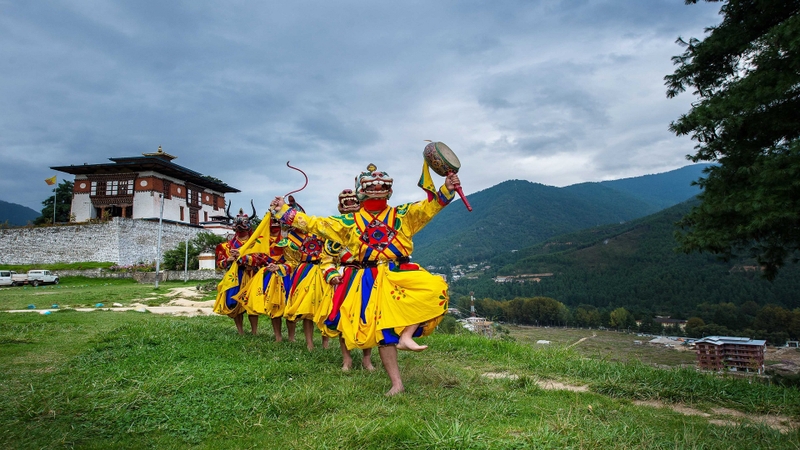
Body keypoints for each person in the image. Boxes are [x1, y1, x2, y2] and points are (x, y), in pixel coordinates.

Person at [270, 163, 459, 395]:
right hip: (367, 277)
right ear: (361, 189)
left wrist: (447, 188)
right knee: (382, 331)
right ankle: (396, 383)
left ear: (389, 190)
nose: (377, 186)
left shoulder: (402, 214)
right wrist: (284, 212)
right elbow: (316, 225)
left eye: (382, 183)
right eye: (372, 183)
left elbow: (429, 207)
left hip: (399, 271)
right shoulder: (347, 222)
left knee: (436, 289)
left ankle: (407, 336)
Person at [318, 189, 374, 371]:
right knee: (343, 318)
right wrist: (331, 274)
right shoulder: (334, 233)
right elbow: (326, 259)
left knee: (368, 317)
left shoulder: (371, 228)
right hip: (346, 278)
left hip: (368, 275)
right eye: (346, 205)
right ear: (340, 209)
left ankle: (367, 360)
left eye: (354, 204)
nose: (351, 208)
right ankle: (347, 359)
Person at [280, 196, 331, 351]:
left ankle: (325, 343)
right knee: (306, 311)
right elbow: (291, 261)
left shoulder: (319, 232)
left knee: (325, 307)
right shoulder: (290, 238)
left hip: (322, 269)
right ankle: (309, 343)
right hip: (303, 273)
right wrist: (280, 269)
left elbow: (330, 251)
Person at [213, 202, 267, 335]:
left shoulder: (256, 243)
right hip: (234, 277)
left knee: (252, 304)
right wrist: (228, 260)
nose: (240, 229)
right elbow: (219, 264)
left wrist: (244, 258)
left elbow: (262, 259)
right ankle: (240, 331)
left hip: (251, 275)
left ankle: (254, 331)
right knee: (234, 303)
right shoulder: (225, 246)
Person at [239, 213, 295, 342]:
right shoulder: (261, 240)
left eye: (277, 221)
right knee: (273, 306)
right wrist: (243, 256)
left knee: (288, 305)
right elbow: (256, 258)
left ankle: (292, 338)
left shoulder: (289, 239)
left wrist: (283, 266)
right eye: (272, 221)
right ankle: (278, 337)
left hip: (286, 274)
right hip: (268, 275)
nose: (275, 224)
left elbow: (294, 259)